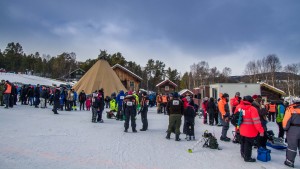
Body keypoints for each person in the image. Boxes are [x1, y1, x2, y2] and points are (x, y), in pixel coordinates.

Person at [239, 96, 264, 162]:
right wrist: (261, 130)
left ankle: (243, 154)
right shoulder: (252, 109)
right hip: (250, 130)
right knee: (248, 144)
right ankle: (247, 157)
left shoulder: (241, 107)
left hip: (242, 129)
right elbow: (256, 121)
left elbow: (239, 119)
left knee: (243, 142)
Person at [282, 101, 300, 168]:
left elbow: (286, 121)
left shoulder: (291, 109)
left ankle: (289, 161)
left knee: (292, 147)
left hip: (293, 130)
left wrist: (285, 128)